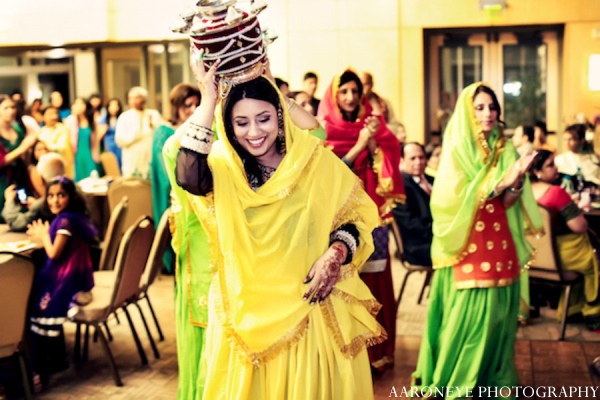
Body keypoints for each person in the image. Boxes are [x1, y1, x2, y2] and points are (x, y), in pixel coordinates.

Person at [174, 57, 384, 398]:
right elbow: (187, 175)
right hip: (248, 316)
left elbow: (355, 220)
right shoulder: (227, 173)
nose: (254, 132)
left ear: (280, 117)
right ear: (227, 126)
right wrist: (209, 99)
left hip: (312, 312)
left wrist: (336, 252)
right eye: (241, 122)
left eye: (264, 118)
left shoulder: (314, 163)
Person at [412, 83, 543, 397]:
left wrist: (516, 182)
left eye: (492, 107)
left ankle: (490, 379)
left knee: (499, 320)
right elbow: (447, 201)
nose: (487, 114)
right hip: (466, 246)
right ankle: (458, 382)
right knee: (469, 323)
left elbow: (509, 202)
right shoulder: (457, 147)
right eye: (480, 107)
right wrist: (501, 181)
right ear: (468, 112)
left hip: (500, 241)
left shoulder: (505, 147)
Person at [318, 68, 404, 372]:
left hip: (372, 214)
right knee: (343, 281)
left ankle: (376, 351)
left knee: (375, 280)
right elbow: (333, 173)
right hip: (338, 217)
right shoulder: (324, 129)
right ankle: (347, 354)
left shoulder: (372, 124)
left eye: (355, 92)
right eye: (344, 92)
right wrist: (360, 144)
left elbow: (387, 163)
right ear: (334, 95)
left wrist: (372, 142)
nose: (351, 97)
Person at [26, 176, 97, 386]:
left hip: (67, 283)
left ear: (71, 197)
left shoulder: (66, 221)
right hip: (69, 278)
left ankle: (46, 367)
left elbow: (55, 254)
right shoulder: (71, 217)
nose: (55, 201)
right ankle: (54, 361)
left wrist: (43, 236)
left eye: (61, 195)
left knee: (37, 310)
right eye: (51, 196)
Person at [529, 150, 600, 330]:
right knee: (595, 258)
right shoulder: (556, 193)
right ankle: (593, 314)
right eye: (550, 165)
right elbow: (580, 227)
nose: (556, 168)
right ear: (537, 171)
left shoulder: (523, 193)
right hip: (563, 258)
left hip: (532, 259)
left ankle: (573, 309)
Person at [150, 83, 200, 274]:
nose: (193, 110)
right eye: (187, 105)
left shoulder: (201, 127)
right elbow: (165, 171)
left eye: (197, 105)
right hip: (174, 195)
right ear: (176, 106)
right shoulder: (164, 131)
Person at [392, 142, 434, 267]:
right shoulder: (398, 186)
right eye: (413, 158)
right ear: (402, 160)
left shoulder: (432, 180)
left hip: (439, 238)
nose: (418, 162)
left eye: (421, 157)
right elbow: (410, 223)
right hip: (418, 246)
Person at [2, 153, 65, 232]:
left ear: (41, 179)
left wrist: (9, 201)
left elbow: (16, 223)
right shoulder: (74, 192)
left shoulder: (43, 204)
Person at [0, 94, 38, 219]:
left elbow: (25, 156)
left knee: (23, 209)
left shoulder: (17, 128)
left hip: (19, 174)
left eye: (13, 107)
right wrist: (23, 147)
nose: (11, 111)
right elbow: (2, 161)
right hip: (3, 178)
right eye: (6, 108)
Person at [115, 86, 164, 178]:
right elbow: (119, 140)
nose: (133, 101)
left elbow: (162, 134)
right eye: (131, 98)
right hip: (132, 162)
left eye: (136, 98)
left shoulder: (153, 114)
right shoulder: (125, 117)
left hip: (150, 161)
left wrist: (152, 125)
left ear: (144, 99)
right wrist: (136, 134)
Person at [64, 97, 99, 181]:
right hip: (76, 154)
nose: (79, 106)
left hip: (89, 153)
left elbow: (95, 141)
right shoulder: (71, 120)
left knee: (92, 177)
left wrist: (96, 156)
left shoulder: (91, 120)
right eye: (76, 103)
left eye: (82, 103)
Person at [39, 105, 74, 178]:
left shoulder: (62, 128)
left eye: (55, 113)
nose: (54, 116)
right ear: (43, 116)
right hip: (46, 167)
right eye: (50, 114)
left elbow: (62, 146)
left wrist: (46, 147)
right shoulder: (41, 131)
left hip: (61, 164)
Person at [98, 98, 123, 169]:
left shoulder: (121, 118)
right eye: (111, 106)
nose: (113, 108)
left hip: (120, 145)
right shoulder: (104, 120)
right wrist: (104, 130)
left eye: (115, 106)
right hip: (109, 145)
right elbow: (99, 136)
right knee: (111, 165)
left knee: (120, 163)